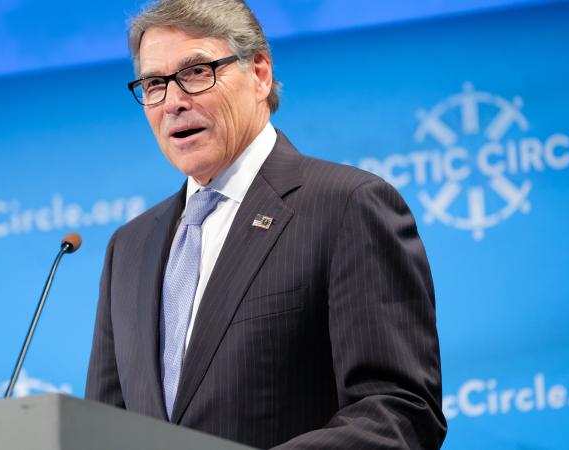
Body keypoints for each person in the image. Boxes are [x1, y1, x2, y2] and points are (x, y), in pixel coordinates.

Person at [85, 0, 447, 448]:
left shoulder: (346, 206)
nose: (174, 102)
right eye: (154, 83)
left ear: (258, 74)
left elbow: (400, 409)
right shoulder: (129, 249)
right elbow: (101, 432)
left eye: (196, 72)